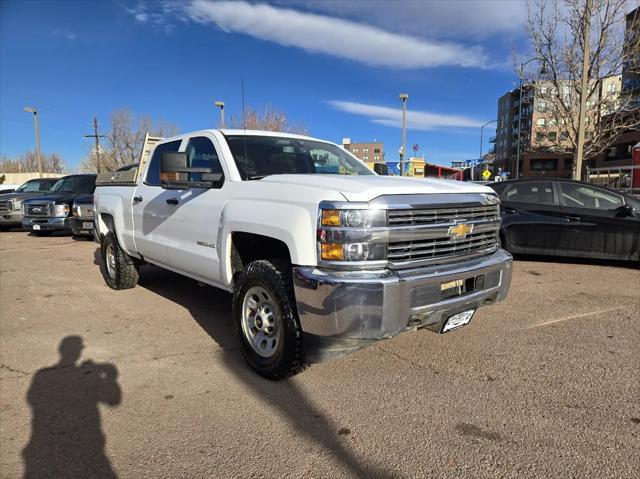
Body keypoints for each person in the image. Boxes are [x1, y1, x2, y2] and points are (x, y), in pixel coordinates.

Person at [22, 336, 121, 478]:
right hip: (87, 440)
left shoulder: (42, 375)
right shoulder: (46, 375)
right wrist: (110, 376)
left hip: (44, 440)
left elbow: (32, 399)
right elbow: (114, 400)